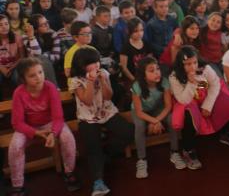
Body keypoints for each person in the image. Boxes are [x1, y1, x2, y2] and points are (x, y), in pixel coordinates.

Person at [9, 58, 80, 195]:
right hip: (28, 126)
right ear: (23, 79)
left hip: (50, 123)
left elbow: (58, 117)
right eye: (32, 75)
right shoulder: (19, 92)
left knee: (68, 138)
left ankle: (69, 172)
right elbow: (17, 123)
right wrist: (36, 132)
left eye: (40, 72)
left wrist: (53, 133)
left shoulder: (50, 87)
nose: (38, 77)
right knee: (15, 146)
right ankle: (18, 185)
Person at [69, 47, 133, 196]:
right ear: (82, 65)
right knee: (92, 147)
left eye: (97, 61)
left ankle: (107, 153)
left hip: (106, 111)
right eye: (92, 63)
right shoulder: (76, 80)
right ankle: (98, 182)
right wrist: (91, 81)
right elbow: (87, 100)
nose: (96, 65)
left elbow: (108, 96)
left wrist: (103, 81)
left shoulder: (103, 73)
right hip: (87, 116)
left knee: (129, 132)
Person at [169, 46, 229, 160]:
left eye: (194, 62)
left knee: (226, 100)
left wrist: (208, 105)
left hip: (204, 91)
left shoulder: (205, 68)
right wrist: (191, 82)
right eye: (188, 64)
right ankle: (188, 148)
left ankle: (224, 133)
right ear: (181, 65)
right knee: (188, 115)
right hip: (188, 98)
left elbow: (214, 84)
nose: (193, 66)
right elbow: (183, 100)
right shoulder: (174, 76)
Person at [131, 56, 184, 179]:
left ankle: (175, 152)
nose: (157, 73)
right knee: (139, 125)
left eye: (158, 69)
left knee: (172, 119)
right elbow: (139, 112)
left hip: (158, 109)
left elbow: (168, 106)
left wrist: (157, 120)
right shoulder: (137, 86)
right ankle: (142, 159)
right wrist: (154, 121)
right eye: (151, 70)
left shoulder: (164, 82)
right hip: (142, 111)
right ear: (143, 74)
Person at [119, 17, 152, 82]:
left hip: (145, 76)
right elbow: (124, 68)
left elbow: (150, 62)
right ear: (128, 31)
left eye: (141, 30)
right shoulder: (126, 47)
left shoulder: (146, 44)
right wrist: (134, 80)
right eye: (136, 31)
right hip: (131, 78)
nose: (140, 33)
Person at [0, 14, 24, 85]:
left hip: (15, 65)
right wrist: (2, 68)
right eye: (0, 25)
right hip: (1, 66)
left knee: (15, 78)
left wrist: (11, 68)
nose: (4, 27)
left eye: (6, 24)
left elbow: (22, 56)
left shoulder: (17, 37)